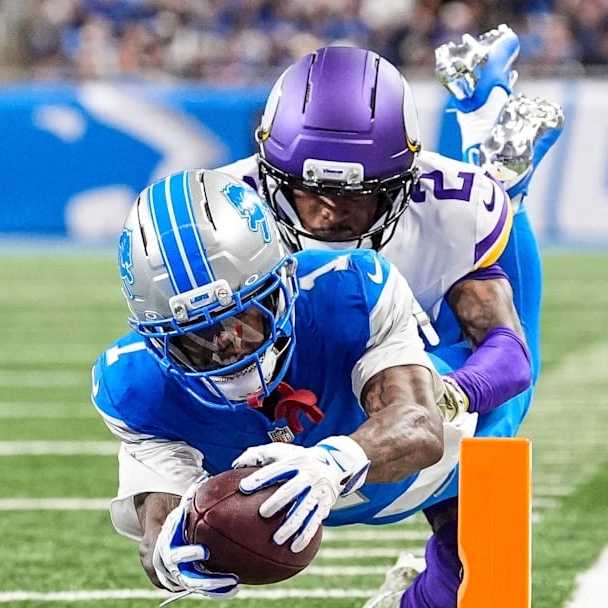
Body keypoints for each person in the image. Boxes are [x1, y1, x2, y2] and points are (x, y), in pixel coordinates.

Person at [216, 29, 561, 607]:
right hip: (298, 375)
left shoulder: (449, 204)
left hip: (419, 358)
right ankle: (500, 165)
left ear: (404, 181)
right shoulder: (226, 211)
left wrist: (446, 396)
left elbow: (509, 353)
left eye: (360, 193)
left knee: (486, 563)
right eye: (308, 190)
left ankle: (502, 182)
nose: (331, 210)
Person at [92, 169, 475, 601]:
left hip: (416, 475)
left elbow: (420, 425)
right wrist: (169, 551)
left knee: (480, 567)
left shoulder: (347, 290)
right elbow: (159, 531)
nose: (225, 350)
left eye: (242, 320)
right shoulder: (134, 383)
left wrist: (332, 464)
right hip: (266, 493)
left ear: (282, 284)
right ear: (157, 338)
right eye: (193, 338)